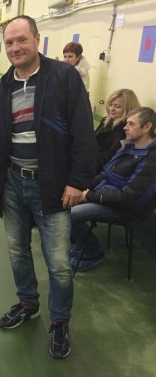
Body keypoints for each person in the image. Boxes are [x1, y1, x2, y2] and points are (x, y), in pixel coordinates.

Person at [0, 16, 96, 358]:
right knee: (17, 251)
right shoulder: (3, 86)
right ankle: (28, 303)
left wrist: (77, 182)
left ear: (37, 39)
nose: (15, 47)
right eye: (9, 42)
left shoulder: (64, 77)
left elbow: (84, 132)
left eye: (21, 40)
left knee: (59, 264)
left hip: (52, 186)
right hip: (12, 182)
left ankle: (60, 322)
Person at [70, 107, 156, 271]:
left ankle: (93, 253)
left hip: (126, 208)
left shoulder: (152, 159)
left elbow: (127, 197)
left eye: (131, 124)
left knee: (71, 215)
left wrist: (89, 196)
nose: (125, 127)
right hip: (108, 195)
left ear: (147, 127)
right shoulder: (127, 145)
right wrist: (79, 187)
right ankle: (83, 245)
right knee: (67, 198)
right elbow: (105, 173)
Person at [95, 89, 140, 173]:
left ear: (128, 109)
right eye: (110, 104)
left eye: (117, 106)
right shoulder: (106, 120)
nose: (111, 109)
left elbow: (110, 157)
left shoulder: (124, 128)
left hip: (101, 168)